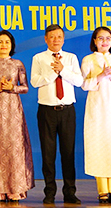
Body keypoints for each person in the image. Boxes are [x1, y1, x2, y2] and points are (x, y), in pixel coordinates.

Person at [0, 30, 34, 202]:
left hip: (13, 110)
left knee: (15, 147)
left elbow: (25, 87)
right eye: (0, 42)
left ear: (12, 45)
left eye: (7, 42)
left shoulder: (18, 64)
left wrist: (13, 88)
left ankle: (15, 190)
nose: (3, 45)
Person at [30, 24, 83, 205]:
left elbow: (78, 80)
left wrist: (63, 70)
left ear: (63, 38)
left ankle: (70, 191)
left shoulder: (71, 58)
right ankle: (49, 192)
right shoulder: (38, 58)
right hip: (46, 110)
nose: (56, 40)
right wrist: (52, 74)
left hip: (67, 110)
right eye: (52, 37)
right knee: (48, 153)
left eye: (59, 37)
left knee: (68, 152)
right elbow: (35, 82)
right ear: (46, 39)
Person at [81, 27, 111, 203]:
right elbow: (84, 85)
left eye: (108, 38)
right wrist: (102, 75)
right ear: (94, 41)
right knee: (99, 146)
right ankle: (102, 190)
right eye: (100, 38)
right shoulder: (88, 59)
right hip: (97, 108)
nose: (104, 42)